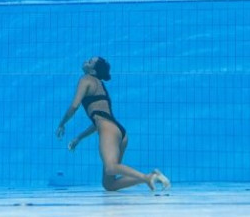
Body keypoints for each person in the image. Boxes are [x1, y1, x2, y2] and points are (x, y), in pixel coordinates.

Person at [56, 56, 171, 191]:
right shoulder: (99, 85)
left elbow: (74, 106)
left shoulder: (86, 79)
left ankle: (148, 177)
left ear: (93, 71)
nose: (86, 61)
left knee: (111, 167)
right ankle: (149, 177)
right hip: (118, 131)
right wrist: (79, 137)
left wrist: (62, 124)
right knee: (109, 184)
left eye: (90, 62)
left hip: (109, 129)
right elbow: (99, 121)